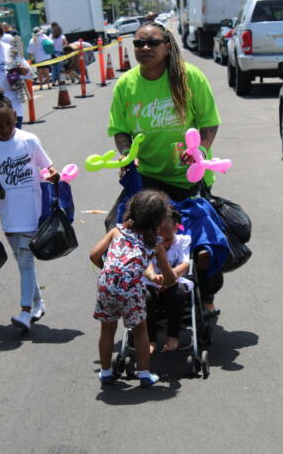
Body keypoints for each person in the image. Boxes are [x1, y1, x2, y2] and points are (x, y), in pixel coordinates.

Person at [108, 21, 223, 315]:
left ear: (167, 46)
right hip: (147, 179)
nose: (144, 48)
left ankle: (206, 294)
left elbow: (209, 122)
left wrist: (199, 150)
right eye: (138, 44)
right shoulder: (126, 84)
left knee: (201, 240)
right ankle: (146, 290)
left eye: (152, 43)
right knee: (120, 230)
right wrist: (127, 155)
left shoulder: (189, 78)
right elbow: (121, 130)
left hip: (188, 179)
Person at [0, 88, 59, 331]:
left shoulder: (29, 140)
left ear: (15, 115)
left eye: (8, 123)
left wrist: (53, 175)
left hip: (31, 212)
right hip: (8, 216)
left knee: (25, 261)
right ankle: (38, 304)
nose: (5, 130)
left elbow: (48, 168)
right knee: (22, 262)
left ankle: (25, 311)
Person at [90, 189, 178, 387]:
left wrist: (111, 271)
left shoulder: (117, 230)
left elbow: (94, 255)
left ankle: (105, 373)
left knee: (107, 330)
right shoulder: (154, 243)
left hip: (107, 283)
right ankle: (144, 374)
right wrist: (165, 280)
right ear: (157, 222)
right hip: (131, 288)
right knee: (139, 330)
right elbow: (171, 278)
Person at [145, 207, 191, 354]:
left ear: (176, 228)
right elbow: (145, 262)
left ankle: (173, 337)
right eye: (160, 239)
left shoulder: (183, 241)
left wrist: (169, 277)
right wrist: (153, 276)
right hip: (151, 281)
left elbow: (185, 264)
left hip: (174, 280)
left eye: (168, 238)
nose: (164, 243)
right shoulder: (148, 241)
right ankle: (150, 339)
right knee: (145, 297)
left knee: (178, 293)